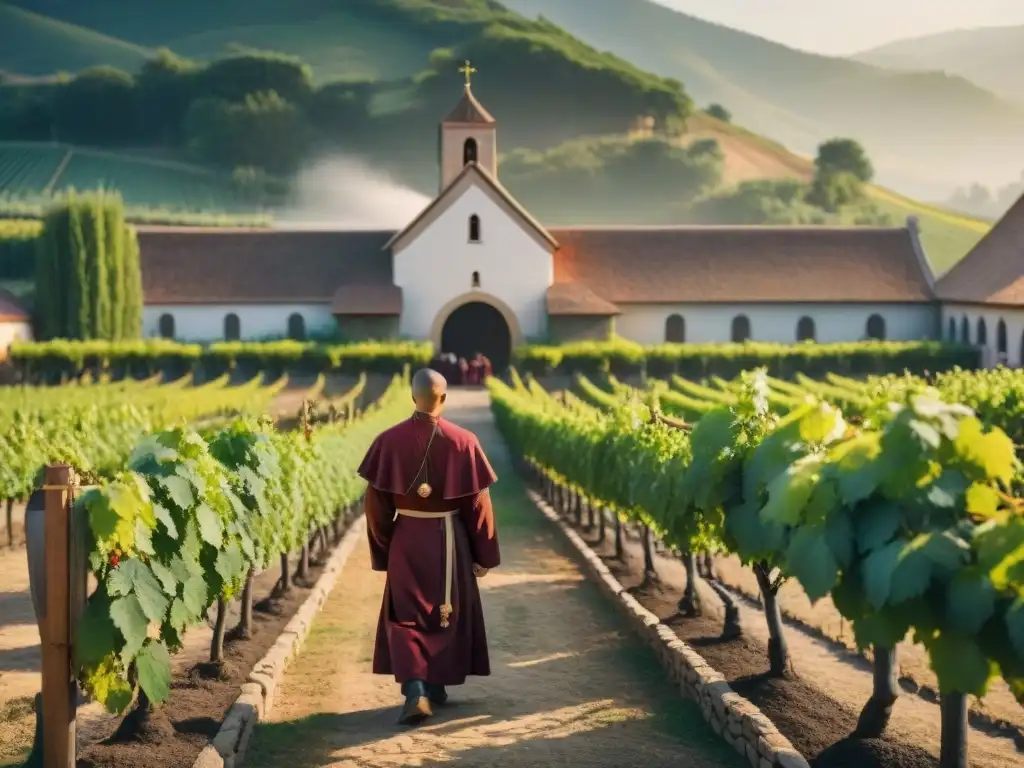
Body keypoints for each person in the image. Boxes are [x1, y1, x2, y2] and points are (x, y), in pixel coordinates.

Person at [357, 368, 501, 725]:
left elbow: (375, 508)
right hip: (450, 539)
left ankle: (419, 689)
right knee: (445, 611)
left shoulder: (387, 441)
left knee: (407, 616)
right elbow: (478, 506)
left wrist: (386, 546)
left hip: (406, 539)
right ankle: (429, 687)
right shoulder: (464, 441)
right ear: (444, 398)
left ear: (412, 397)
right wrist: (484, 555)